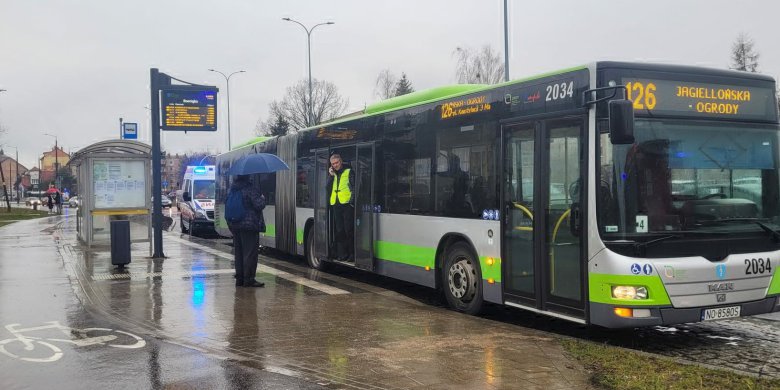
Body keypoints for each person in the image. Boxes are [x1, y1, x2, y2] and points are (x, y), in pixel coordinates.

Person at [226, 175, 266, 288]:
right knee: (250, 254)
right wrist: (262, 198)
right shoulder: (250, 189)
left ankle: (240, 279)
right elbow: (259, 205)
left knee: (239, 253)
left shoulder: (232, 189)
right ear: (248, 178)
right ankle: (249, 279)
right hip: (249, 226)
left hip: (235, 226)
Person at [327, 153, 355, 261]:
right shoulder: (333, 174)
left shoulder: (349, 172)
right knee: (340, 231)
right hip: (336, 205)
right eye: (333, 164)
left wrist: (352, 203)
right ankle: (342, 254)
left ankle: (351, 254)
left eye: (336, 163)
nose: (335, 165)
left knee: (349, 230)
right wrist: (330, 176)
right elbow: (327, 188)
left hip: (347, 205)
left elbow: (355, 187)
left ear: (341, 161)